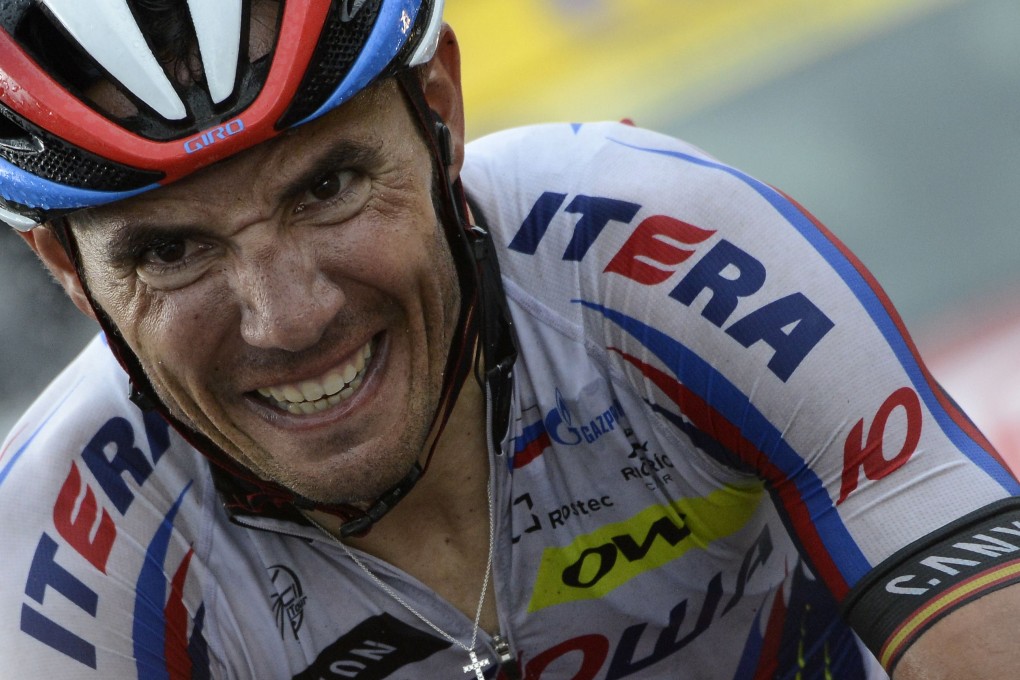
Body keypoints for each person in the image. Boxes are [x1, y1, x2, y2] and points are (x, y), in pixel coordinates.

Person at [1, 1, 1018, 678]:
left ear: (439, 113)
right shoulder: (66, 539)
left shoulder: (640, 248)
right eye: (172, 251)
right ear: (66, 270)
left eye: (328, 187)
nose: (288, 317)